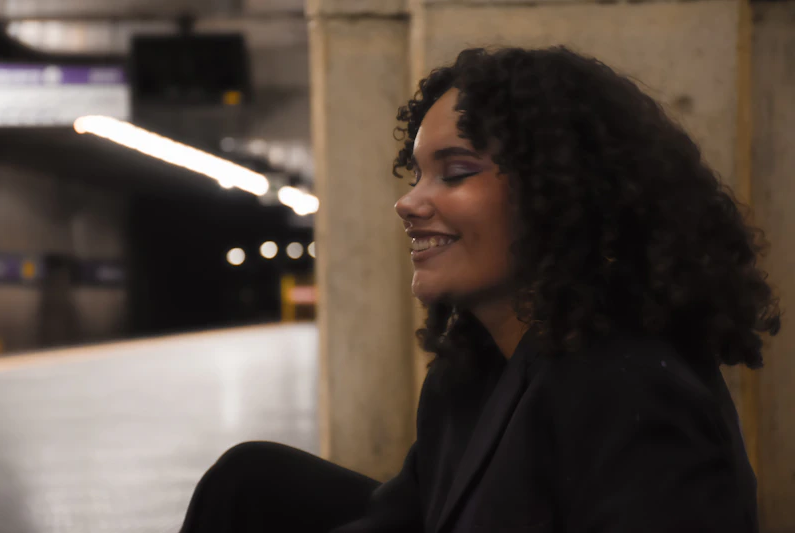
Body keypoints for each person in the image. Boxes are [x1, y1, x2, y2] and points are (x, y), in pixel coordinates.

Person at [179, 46, 781, 533]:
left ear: (563, 195)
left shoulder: (629, 389)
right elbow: (403, 518)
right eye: (416, 174)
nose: (409, 202)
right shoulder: (471, 371)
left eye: (457, 172)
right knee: (252, 481)